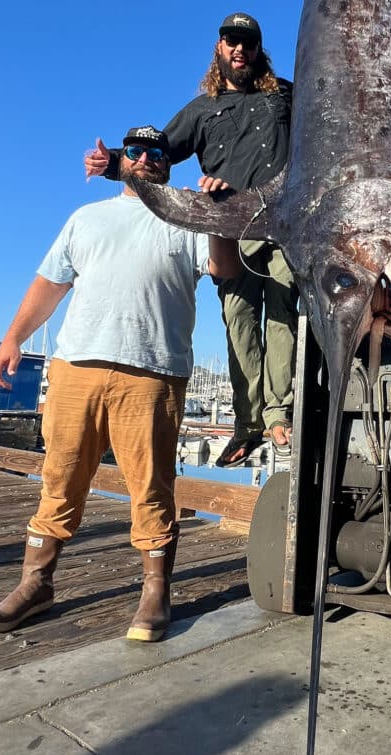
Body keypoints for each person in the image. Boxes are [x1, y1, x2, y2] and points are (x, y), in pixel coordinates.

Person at [0, 126, 239, 642]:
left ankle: (155, 592)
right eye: (135, 152)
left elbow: (223, 268)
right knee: (60, 477)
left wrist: (219, 218)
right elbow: (50, 285)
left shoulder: (186, 214)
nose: (147, 159)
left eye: (157, 153)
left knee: (152, 487)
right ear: (122, 160)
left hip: (154, 373)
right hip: (77, 368)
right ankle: (35, 585)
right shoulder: (86, 218)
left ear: (167, 163)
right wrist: (11, 340)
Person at [85, 11, 298, 469]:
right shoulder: (202, 109)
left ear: (260, 50)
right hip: (229, 230)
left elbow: (326, 133)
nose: (239, 49)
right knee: (240, 322)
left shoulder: (285, 95)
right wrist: (113, 164)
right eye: (230, 41)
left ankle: (279, 414)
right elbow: (157, 150)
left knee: (282, 314)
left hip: (282, 224)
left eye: (248, 42)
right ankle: (248, 423)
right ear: (219, 49)